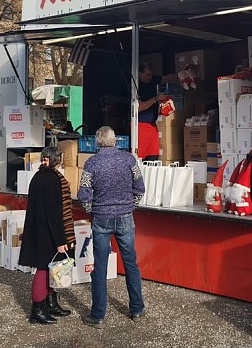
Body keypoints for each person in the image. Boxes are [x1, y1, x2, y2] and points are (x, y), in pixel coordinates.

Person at [78, 126, 146, 328]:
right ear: (115, 140)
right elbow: (140, 188)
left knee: (100, 267)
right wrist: (129, 207)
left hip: (101, 218)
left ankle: (98, 315)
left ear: (98, 142)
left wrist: (93, 210)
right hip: (125, 216)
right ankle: (136, 309)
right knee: (130, 263)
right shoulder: (128, 160)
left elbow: (83, 195)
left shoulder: (91, 163)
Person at [18, 145, 76, 324]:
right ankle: (37, 310)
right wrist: (60, 239)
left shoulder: (38, 176)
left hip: (39, 229)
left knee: (52, 268)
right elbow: (54, 213)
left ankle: (49, 304)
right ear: (56, 160)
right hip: (48, 232)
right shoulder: (53, 179)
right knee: (44, 270)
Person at [136, 62, 174, 161]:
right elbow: (138, 107)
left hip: (152, 124)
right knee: (141, 156)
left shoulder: (151, 80)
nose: (150, 77)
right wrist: (155, 99)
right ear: (139, 74)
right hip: (140, 125)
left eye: (151, 75)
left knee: (154, 155)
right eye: (147, 75)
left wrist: (182, 74)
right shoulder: (135, 86)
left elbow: (166, 78)